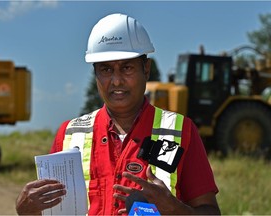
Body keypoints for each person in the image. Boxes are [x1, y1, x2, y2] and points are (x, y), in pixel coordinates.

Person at [15, 13, 220, 215]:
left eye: (127, 68)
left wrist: (176, 210)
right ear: (95, 74)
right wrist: (27, 211)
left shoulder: (179, 131)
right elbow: (53, 211)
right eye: (106, 70)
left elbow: (210, 211)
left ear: (146, 69)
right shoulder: (70, 135)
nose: (116, 81)